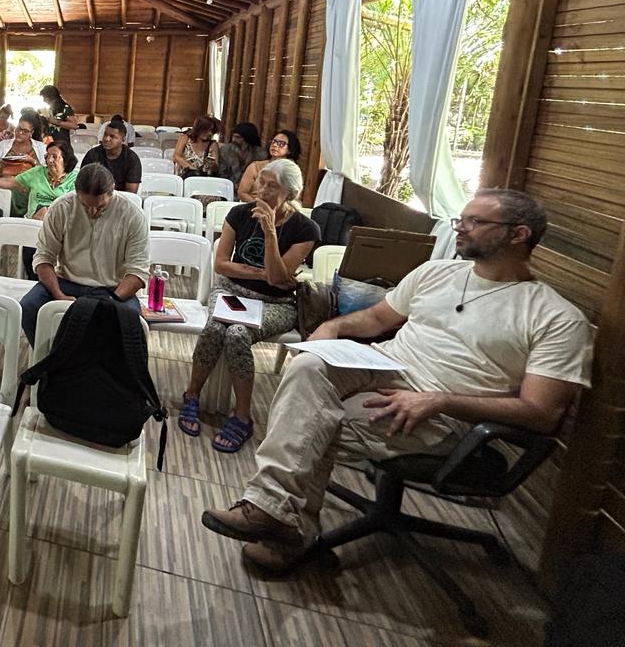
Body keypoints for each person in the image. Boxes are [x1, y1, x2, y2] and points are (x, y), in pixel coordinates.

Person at [201, 188, 593, 574]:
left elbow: (541, 413)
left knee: (317, 418)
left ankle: (285, 526)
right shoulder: (437, 273)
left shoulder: (555, 317)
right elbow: (375, 321)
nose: (460, 228)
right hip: (383, 366)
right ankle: (274, 511)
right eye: (461, 219)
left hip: (441, 410)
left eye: (476, 221)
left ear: (518, 234)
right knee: (307, 366)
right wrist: (333, 327)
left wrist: (439, 401)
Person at [179, 159, 319, 451]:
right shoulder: (238, 214)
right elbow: (222, 265)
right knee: (216, 327)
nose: (262, 190)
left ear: (290, 194)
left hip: (277, 303)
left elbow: (279, 280)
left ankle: (242, 416)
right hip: (232, 289)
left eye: (272, 186)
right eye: (261, 182)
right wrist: (262, 273)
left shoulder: (305, 229)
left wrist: (270, 233)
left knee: (238, 334)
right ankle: (191, 395)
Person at [18, 163, 150, 344]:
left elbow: (138, 271)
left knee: (131, 322)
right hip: (66, 282)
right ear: (76, 193)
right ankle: (48, 358)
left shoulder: (132, 215)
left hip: (111, 288)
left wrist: (113, 300)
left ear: (112, 192)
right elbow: (43, 258)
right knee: (29, 306)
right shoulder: (62, 207)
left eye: (100, 206)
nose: (92, 211)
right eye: (85, 205)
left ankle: (102, 370)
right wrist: (58, 295)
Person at [0, 138, 78, 221]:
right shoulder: (37, 172)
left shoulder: (75, 179)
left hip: (59, 225)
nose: (49, 160)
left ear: (66, 160)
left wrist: (48, 210)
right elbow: (10, 182)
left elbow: (74, 206)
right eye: (47, 156)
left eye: (54, 157)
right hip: (32, 223)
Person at [0, 111, 46, 215]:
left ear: (32, 132)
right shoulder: (3, 145)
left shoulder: (40, 147)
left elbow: (46, 172)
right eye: (18, 129)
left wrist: (32, 161)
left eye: (25, 131)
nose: (20, 133)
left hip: (29, 189)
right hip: (4, 186)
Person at [237, 129, 302, 203]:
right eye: (274, 141)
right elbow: (242, 193)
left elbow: (293, 197)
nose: (274, 145)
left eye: (281, 143)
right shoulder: (255, 166)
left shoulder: (292, 171)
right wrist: (258, 205)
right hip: (254, 206)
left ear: (290, 149)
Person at [80, 117, 142, 193]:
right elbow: (83, 183)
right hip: (95, 197)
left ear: (123, 140)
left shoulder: (132, 159)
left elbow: (131, 192)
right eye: (105, 135)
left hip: (121, 200)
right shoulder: (92, 154)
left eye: (112, 136)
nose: (106, 139)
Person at [220, 122, 266, 187]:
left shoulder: (260, 154)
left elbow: (260, 176)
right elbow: (222, 174)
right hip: (228, 188)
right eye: (233, 136)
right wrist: (233, 185)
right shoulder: (225, 151)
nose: (234, 140)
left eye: (238, 137)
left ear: (248, 139)